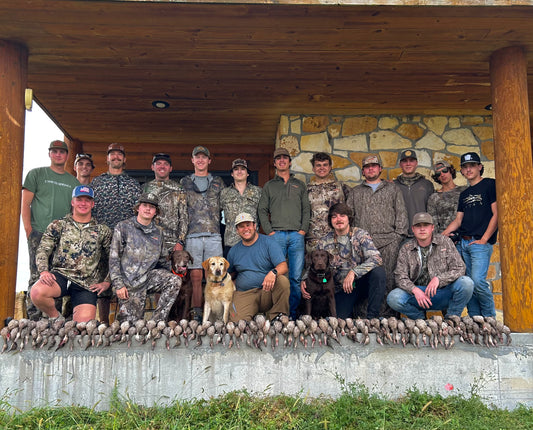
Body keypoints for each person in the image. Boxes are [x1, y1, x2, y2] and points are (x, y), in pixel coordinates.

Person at [30, 185, 112, 323]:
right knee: (37, 293)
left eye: (87, 200)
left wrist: (107, 282)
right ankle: (56, 319)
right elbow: (43, 249)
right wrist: (43, 271)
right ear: (73, 202)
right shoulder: (59, 225)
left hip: (86, 283)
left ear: (93, 204)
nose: (83, 203)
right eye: (79, 199)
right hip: (61, 276)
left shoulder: (102, 230)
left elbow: (114, 258)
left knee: (83, 326)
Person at [21, 139, 80, 320]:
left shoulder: (73, 182)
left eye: (61, 152)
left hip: (62, 238)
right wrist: (28, 229)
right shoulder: (36, 174)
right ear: (49, 154)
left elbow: (75, 211)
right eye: (54, 151)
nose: (58, 154)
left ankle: (53, 319)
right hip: (39, 232)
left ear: (67, 156)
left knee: (58, 277)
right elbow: (25, 203)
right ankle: (34, 319)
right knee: (37, 274)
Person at [346, 154, 408, 314]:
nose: (371, 168)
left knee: (387, 280)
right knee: (365, 280)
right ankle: (364, 318)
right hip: (362, 246)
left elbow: (401, 214)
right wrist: (353, 241)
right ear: (363, 171)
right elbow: (349, 218)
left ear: (380, 168)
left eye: (374, 165)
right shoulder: (355, 192)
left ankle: (387, 318)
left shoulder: (393, 189)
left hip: (388, 243)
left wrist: (397, 238)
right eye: (367, 167)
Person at [109, 193, 182, 324]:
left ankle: (156, 323)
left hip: (148, 278)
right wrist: (119, 285)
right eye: (145, 205)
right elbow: (114, 258)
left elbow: (162, 260)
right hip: (129, 284)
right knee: (131, 327)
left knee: (174, 280)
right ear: (138, 208)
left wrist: (175, 270)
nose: (148, 209)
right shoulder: (123, 227)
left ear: (156, 212)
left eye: (152, 207)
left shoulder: (158, 232)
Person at [442, 152, 498, 317]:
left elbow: (497, 214)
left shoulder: (490, 184)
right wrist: (442, 235)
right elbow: (458, 220)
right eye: (465, 167)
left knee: (479, 282)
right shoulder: (464, 194)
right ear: (462, 171)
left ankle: (490, 318)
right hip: (463, 243)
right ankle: (475, 319)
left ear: (480, 167)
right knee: (468, 284)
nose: (469, 169)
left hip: (479, 243)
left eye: (472, 165)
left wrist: (484, 239)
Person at [387, 212, 473, 319]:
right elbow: (400, 276)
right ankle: (420, 320)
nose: (422, 229)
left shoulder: (445, 242)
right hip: (419, 295)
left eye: (425, 225)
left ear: (432, 228)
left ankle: (452, 318)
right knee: (394, 298)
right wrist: (415, 290)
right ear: (413, 229)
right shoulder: (406, 248)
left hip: (443, 292)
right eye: (418, 226)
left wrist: (439, 279)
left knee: (466, 283)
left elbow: (460, 268)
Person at [91, 143, 141, 323]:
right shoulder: (97, 182)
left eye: (119, 155)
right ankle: (104, 322)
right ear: (107, 158)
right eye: (112, 154)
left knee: (124, 281)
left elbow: (139, 214)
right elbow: (90, 210)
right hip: (102, 238)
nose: (116, 157)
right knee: (102, 280)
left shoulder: (133, 184)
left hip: (126, 241)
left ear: (124, 159)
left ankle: (123, 323)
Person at [258, 147, 310, 319]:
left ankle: (292, 315)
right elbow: (262, 210)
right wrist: (270, 232)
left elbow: (306, 210)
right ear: (274, 163)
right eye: (278, 158)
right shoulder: (269, 186)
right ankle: (278, 313)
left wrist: (302, 230)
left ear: (289, 161)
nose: (282, 161)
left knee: (295, 278)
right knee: (279, 276)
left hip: (296, 236)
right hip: (277, 236)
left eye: (285, 158)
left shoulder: (299, 184)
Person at [313, 203, 386, 319]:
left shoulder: (360, 235)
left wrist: (353, 272)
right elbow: (314, 264)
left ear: (349, 218)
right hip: (341, 289)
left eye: (342, 215)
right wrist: (304, 279)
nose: (338, 219)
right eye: (334, 216)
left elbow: (376, 259)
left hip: (360, 283)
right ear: (330, 221)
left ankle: (372, 318)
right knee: (340, 318)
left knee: (379, 273)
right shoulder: (324, 242)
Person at [181, 146, 226, 321]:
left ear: (209, 160)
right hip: (192, 234)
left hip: (214, 234)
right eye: (197, 157)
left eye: (204, 157)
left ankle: (215, 313)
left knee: (215, 274)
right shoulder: (185, 182)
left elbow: (224, 206)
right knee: (196, 276)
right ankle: (197, 313)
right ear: (192, 160)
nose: (200, 160)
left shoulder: (218, 182)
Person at [227, 213, 289, 322]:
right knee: (236, 324)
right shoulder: (234, 251)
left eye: (248, 225)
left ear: (255, 226)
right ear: (237, 230)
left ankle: (278, 316)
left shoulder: (269, 242)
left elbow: (283, 266)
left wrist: (273, 272)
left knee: (282, 281)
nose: (246, 229)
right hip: (245, 293)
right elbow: (229, 274)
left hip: (267, 291)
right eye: (241, 226)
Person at [144, 153, 188, 253]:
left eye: (166, 164)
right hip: (149, 239)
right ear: (152, 167)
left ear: (170, 168)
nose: (162, 166)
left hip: (172, 242)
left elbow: (184, 217)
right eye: (158, 163)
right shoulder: (145, 188)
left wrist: (180, 241)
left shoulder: (179, 189)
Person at [220, 158, 262, 256]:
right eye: (236, 169)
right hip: (231, 242)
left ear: (247, 173)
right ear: (232, 174)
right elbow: (217, 214)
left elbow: (263, 213)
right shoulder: (224, 193)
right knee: (231, 271)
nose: (239, 171)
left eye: (242, 169)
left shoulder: (258, 192)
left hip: (252, 242)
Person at [306, 152, 345, 252]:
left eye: (325, 165)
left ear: (330, 167)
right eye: (318, 165)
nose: (321, 168)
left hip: (336, 238)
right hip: (313, 240)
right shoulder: (306, 189)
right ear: (313, 168)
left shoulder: (341, 187)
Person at [394, 150, 434, 236]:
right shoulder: (393, 186)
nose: (408, 164)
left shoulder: (427, 185)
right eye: (405, 161)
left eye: (411, 161)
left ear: (416, 163)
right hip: (400, 235)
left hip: (422, 234)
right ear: (400, 164)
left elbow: (432, 212)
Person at [427, 161, 466, 236]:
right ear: (436, 177)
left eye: (445, 171)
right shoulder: (434, 198)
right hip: (446, 238)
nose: (442, 174)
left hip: (465, 237)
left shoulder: (464, 191)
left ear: (451, 170)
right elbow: (433, 224)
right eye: (438, 174)